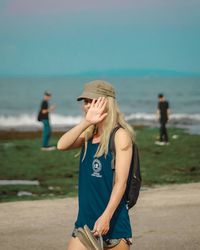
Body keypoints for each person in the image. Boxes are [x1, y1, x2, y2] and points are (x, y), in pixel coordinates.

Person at [57, 80, 135, 250]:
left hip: (113, 225)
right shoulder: (88, 134)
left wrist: (106, 216)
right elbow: (61, 145)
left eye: (94, 101)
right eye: (86, 102)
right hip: (84, 223)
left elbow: (120, 183)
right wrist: (87, 122)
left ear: (107, 102)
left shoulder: (120, 135)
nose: (88, 106)